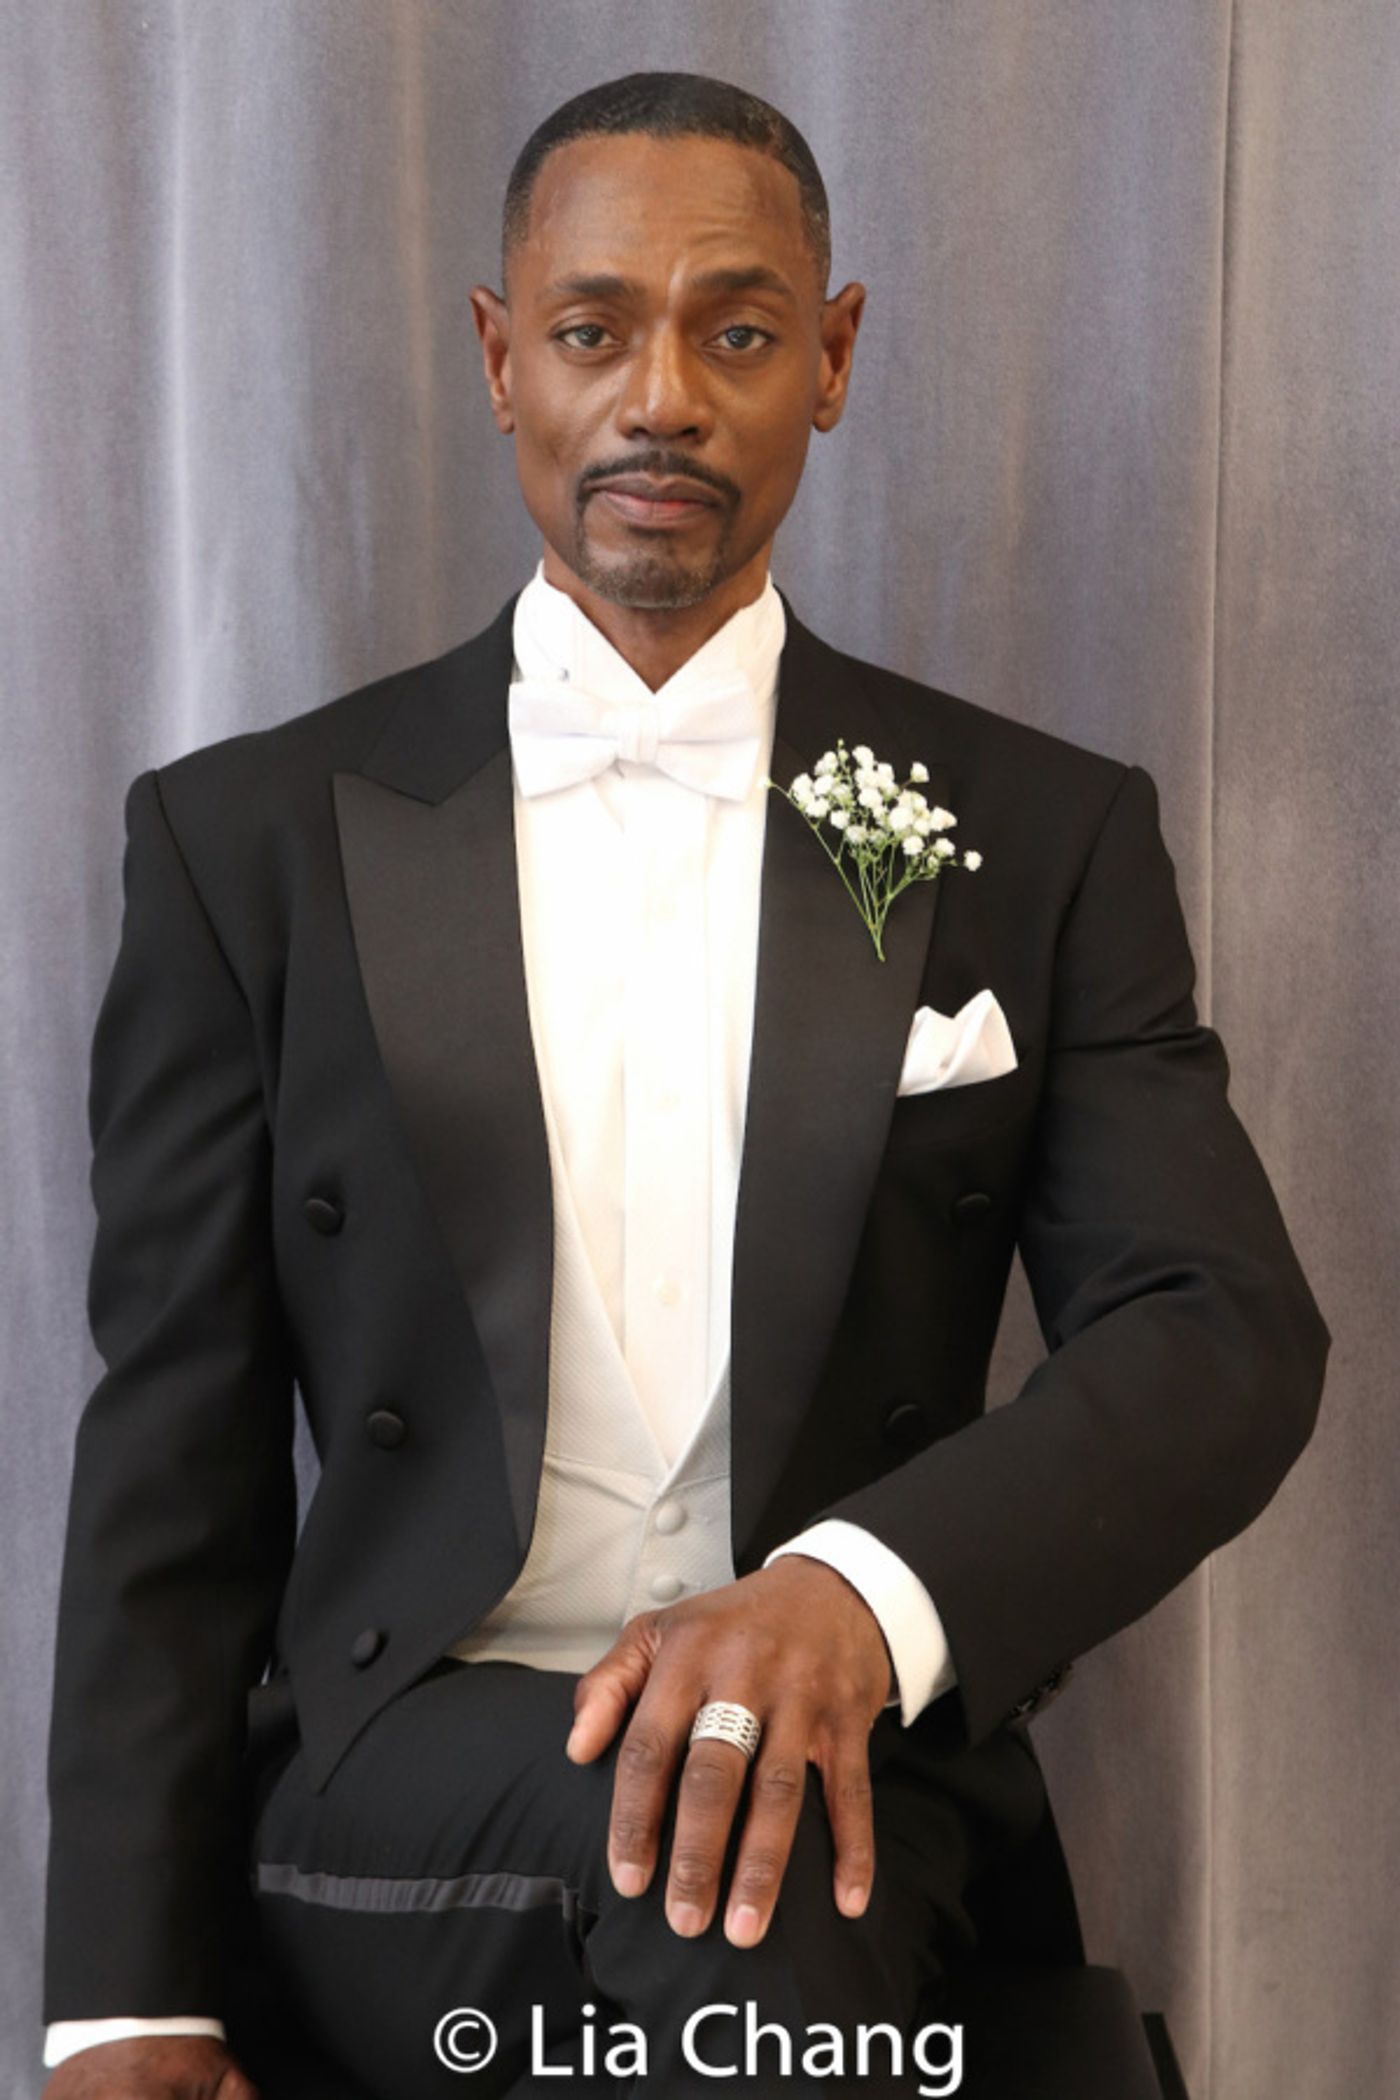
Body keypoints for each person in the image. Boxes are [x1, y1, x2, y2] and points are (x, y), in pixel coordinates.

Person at [41, 69, 1328, 2100]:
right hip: (412, 1776)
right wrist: (127, 1999)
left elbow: (1219, 1329)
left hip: (858, 1760)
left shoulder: (1034, 833)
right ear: (498, 361)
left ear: (829, 361)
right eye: (591, 330)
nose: (660, 397)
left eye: (735, 331)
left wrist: (850, 1592)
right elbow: (171, 1444)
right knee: (754, 1910)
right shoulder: (254, 840)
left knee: (769, 1870)